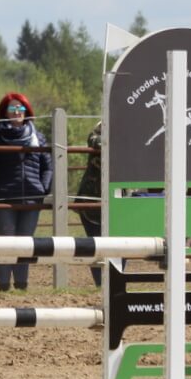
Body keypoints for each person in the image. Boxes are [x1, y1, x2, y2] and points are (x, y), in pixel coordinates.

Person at [0, 92, 52, 292]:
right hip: (5, 198)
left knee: (25, 243)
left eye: (20, 108)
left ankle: (21, 286)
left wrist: (44, 188)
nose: (17, 111)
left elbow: (48, 167)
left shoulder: (39, 138)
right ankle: (3, 286)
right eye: (12, 108)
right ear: (5, 112)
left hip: (32, 197)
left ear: (26, 111)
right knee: (6, 240)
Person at [77, 121, 103, 287]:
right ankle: (100, 284)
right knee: (95, 246)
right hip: (91, 200)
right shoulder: (98, 131)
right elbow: (95, 141)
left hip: (120, 201)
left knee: (122, 246)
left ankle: (114, 283)